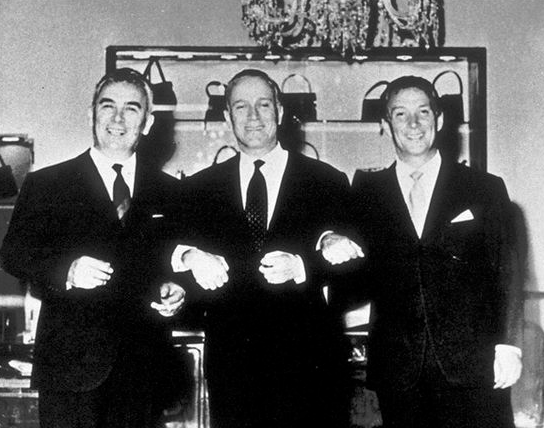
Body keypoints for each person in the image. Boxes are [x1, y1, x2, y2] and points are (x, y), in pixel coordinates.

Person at [321, 75, 523, 428]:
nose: (413, 124)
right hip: (400, 375)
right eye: (400, 114)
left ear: (439, 120)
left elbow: (507, 272)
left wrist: (509, 345)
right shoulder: (366, 193)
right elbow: (351, 287)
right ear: (386, 125)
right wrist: (329, 244)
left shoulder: (484, 188)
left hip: (474, 369)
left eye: (423, 112)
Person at [0, 68, 188, 428]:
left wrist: (178, 290)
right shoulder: (47, 184)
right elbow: (14, 254)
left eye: (132, 108)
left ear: (147, 123)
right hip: (69, 373)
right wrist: (67, 270)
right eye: (108, 106)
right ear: (92, 114)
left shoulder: (171, 191)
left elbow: (179, 263)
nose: (118, 118)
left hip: (143, 374)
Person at [170, 68, 352, 428]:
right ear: (227, 117)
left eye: (263, 105)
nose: (253, 116)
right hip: (233, 371)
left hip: (310, 367)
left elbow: (356, 271)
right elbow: (171, 258)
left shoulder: (327, 182)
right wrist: (189, 258)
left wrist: (303, 267)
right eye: (241, 106)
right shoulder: (199, 190)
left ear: (280, 112)